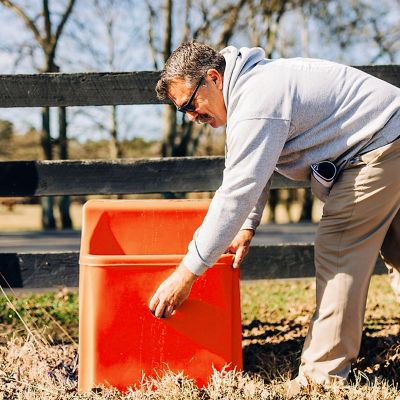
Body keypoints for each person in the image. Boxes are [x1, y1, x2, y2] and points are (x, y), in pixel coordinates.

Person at [149, 42, 400, 394]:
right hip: (391, 132)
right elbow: (257, 169)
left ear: (213, 78)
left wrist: (186, 273)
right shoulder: (252, 90)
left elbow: (237, 191)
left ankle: (321, 378)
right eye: (183, 112)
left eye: (191, 104)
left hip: (380, 144)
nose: (192, 116)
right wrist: (248, 225)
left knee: (339, 247)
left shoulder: (256, 102)